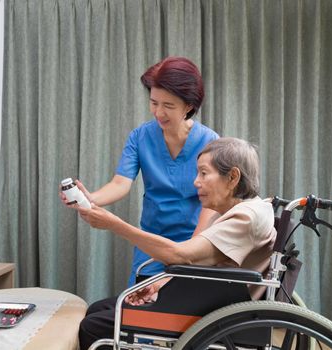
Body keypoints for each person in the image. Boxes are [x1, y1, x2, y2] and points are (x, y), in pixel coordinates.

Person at [76, 137, 277, 350]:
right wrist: (158, 286)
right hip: (207, 298)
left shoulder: (245, 217)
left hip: (211, 312)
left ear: (233, 177)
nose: (196, 182)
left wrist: (115, 224)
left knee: (93, 326)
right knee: (98, 309)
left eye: (204, 173)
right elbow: (198, 264)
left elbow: (182, 256)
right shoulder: (234, 211)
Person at [61, 56, 219, 286]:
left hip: (193, 247)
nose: (158, 112)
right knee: (136, 312)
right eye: (154, 103)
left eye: (168, 106)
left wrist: (190, 252)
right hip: (150, 245)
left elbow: (212, 204)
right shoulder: (140, 137)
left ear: (189, 106)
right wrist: (90, 199)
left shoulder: (210, 143)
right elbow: (120, 184)